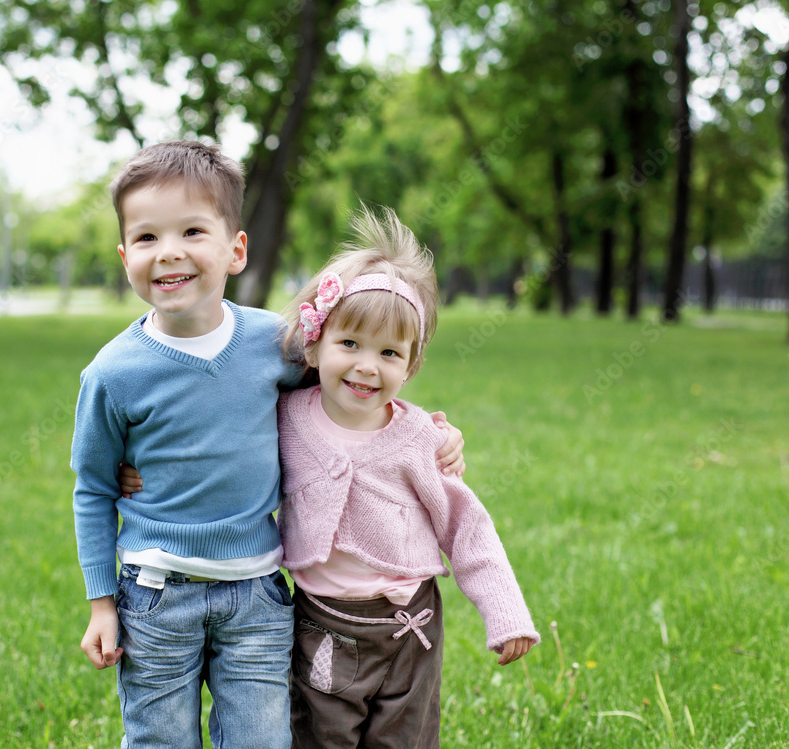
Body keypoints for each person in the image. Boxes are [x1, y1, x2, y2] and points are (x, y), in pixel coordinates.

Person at [71, 141, 464, 749]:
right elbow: (93, 488)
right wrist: (101, 603)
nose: (169, 252)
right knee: (161, 741)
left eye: (193, 232)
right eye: (147, 238)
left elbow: (352, 390)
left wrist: (434, 434)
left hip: (257, 594)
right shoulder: (113, 374)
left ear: (236, 250)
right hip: (155, 595)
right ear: (125, 256)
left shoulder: (271, 345)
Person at [277, 204, 539, 749]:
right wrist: (139, 469)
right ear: (316, 343)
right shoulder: (286, 419)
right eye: (349, 344)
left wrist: (505, 612)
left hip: (408, 628)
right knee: (319, 736)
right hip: (321, 624)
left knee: (405, 739)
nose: (367, 366)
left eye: (389, 353)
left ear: (411, 363)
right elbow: (220, 449)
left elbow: (466, 527)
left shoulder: (421, 440)